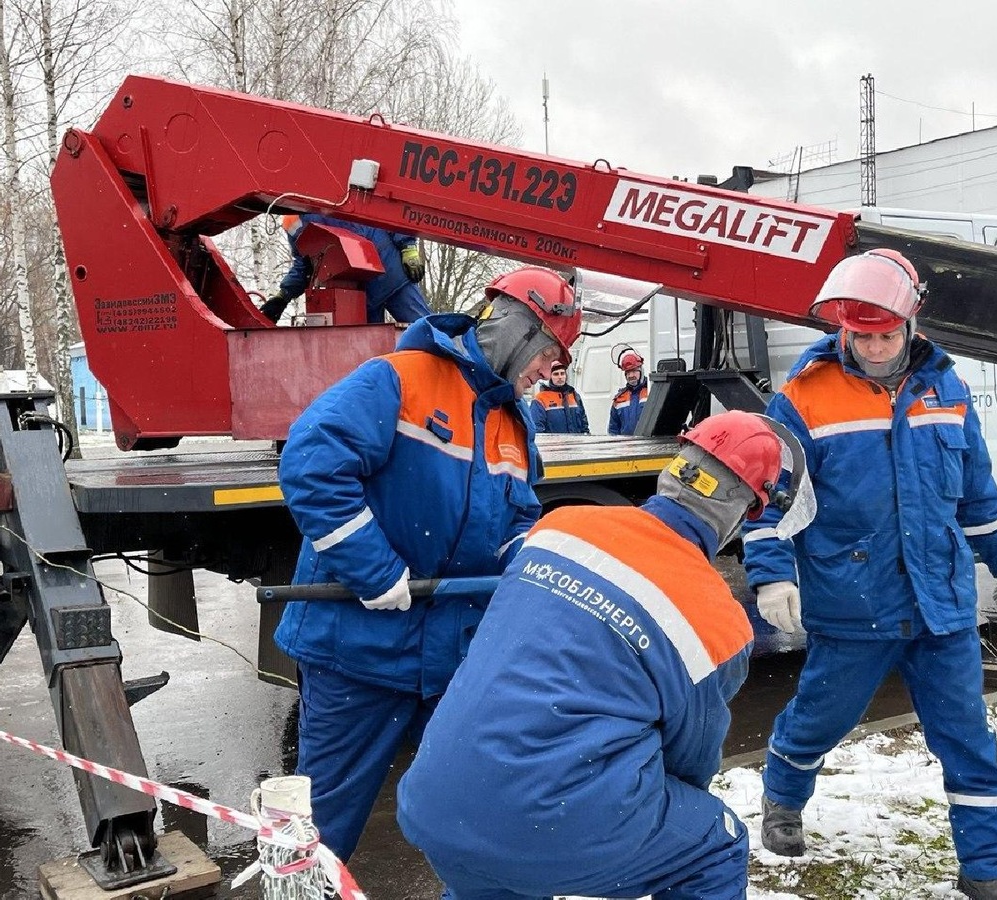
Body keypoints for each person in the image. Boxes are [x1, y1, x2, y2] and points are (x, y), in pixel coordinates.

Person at [398, 410, 813, 900]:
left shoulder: (558, 529)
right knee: (713, 844)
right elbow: (689, 765)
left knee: (494, 866)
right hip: (550, 827)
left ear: (674, 468)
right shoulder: (717, 625)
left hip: (437, 803)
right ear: (747, 514)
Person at [743, 248, 997, 900]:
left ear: (910, 322)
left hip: (942, 603)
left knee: (967, 739)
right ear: (843, 327)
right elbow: (771, 496)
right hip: (853, 602)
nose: (873, 347)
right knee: (819, 719)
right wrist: (772, 574)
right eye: (860, 335)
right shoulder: (802, 400)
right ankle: (783, 795)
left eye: (886, 334)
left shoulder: (947, 388)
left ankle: (989, 870)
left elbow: (976, 484)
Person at [273, 265, 581, 861]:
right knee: (317, 834)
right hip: (356, 654)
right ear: (517, 330)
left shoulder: (515, 425)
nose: (550, 371)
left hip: (448, 663)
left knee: (483, 816)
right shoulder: (400, 377)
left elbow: (516, 519)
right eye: (550, 352)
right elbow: (312, 464)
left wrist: (529, 559)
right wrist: (375, 570)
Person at [260, 213, 434, 324]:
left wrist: (408, 245)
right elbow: (305, 265)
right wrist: (283, 295)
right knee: (373, 353)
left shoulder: (337, 183)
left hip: (387, 278)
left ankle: (454, 367)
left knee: (427, 332)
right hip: (362, 295)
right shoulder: (293, 221)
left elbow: (387, 213)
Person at [530, 360, 589, 434]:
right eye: (556, 374)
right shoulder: (540, 399)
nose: (560, 377)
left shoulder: (574, 395)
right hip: (554, 445)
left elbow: (584, 424)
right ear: (550, 376)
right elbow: (537, 428)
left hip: (575, 444)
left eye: (562, 373)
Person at [608, 347, 648, 435]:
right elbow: (613, 431)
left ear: (641, 370)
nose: (631, 375)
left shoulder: (651, 392)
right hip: (626, 448)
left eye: (634, 371)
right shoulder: (619, 400)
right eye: (628, 372)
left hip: (647, 446)